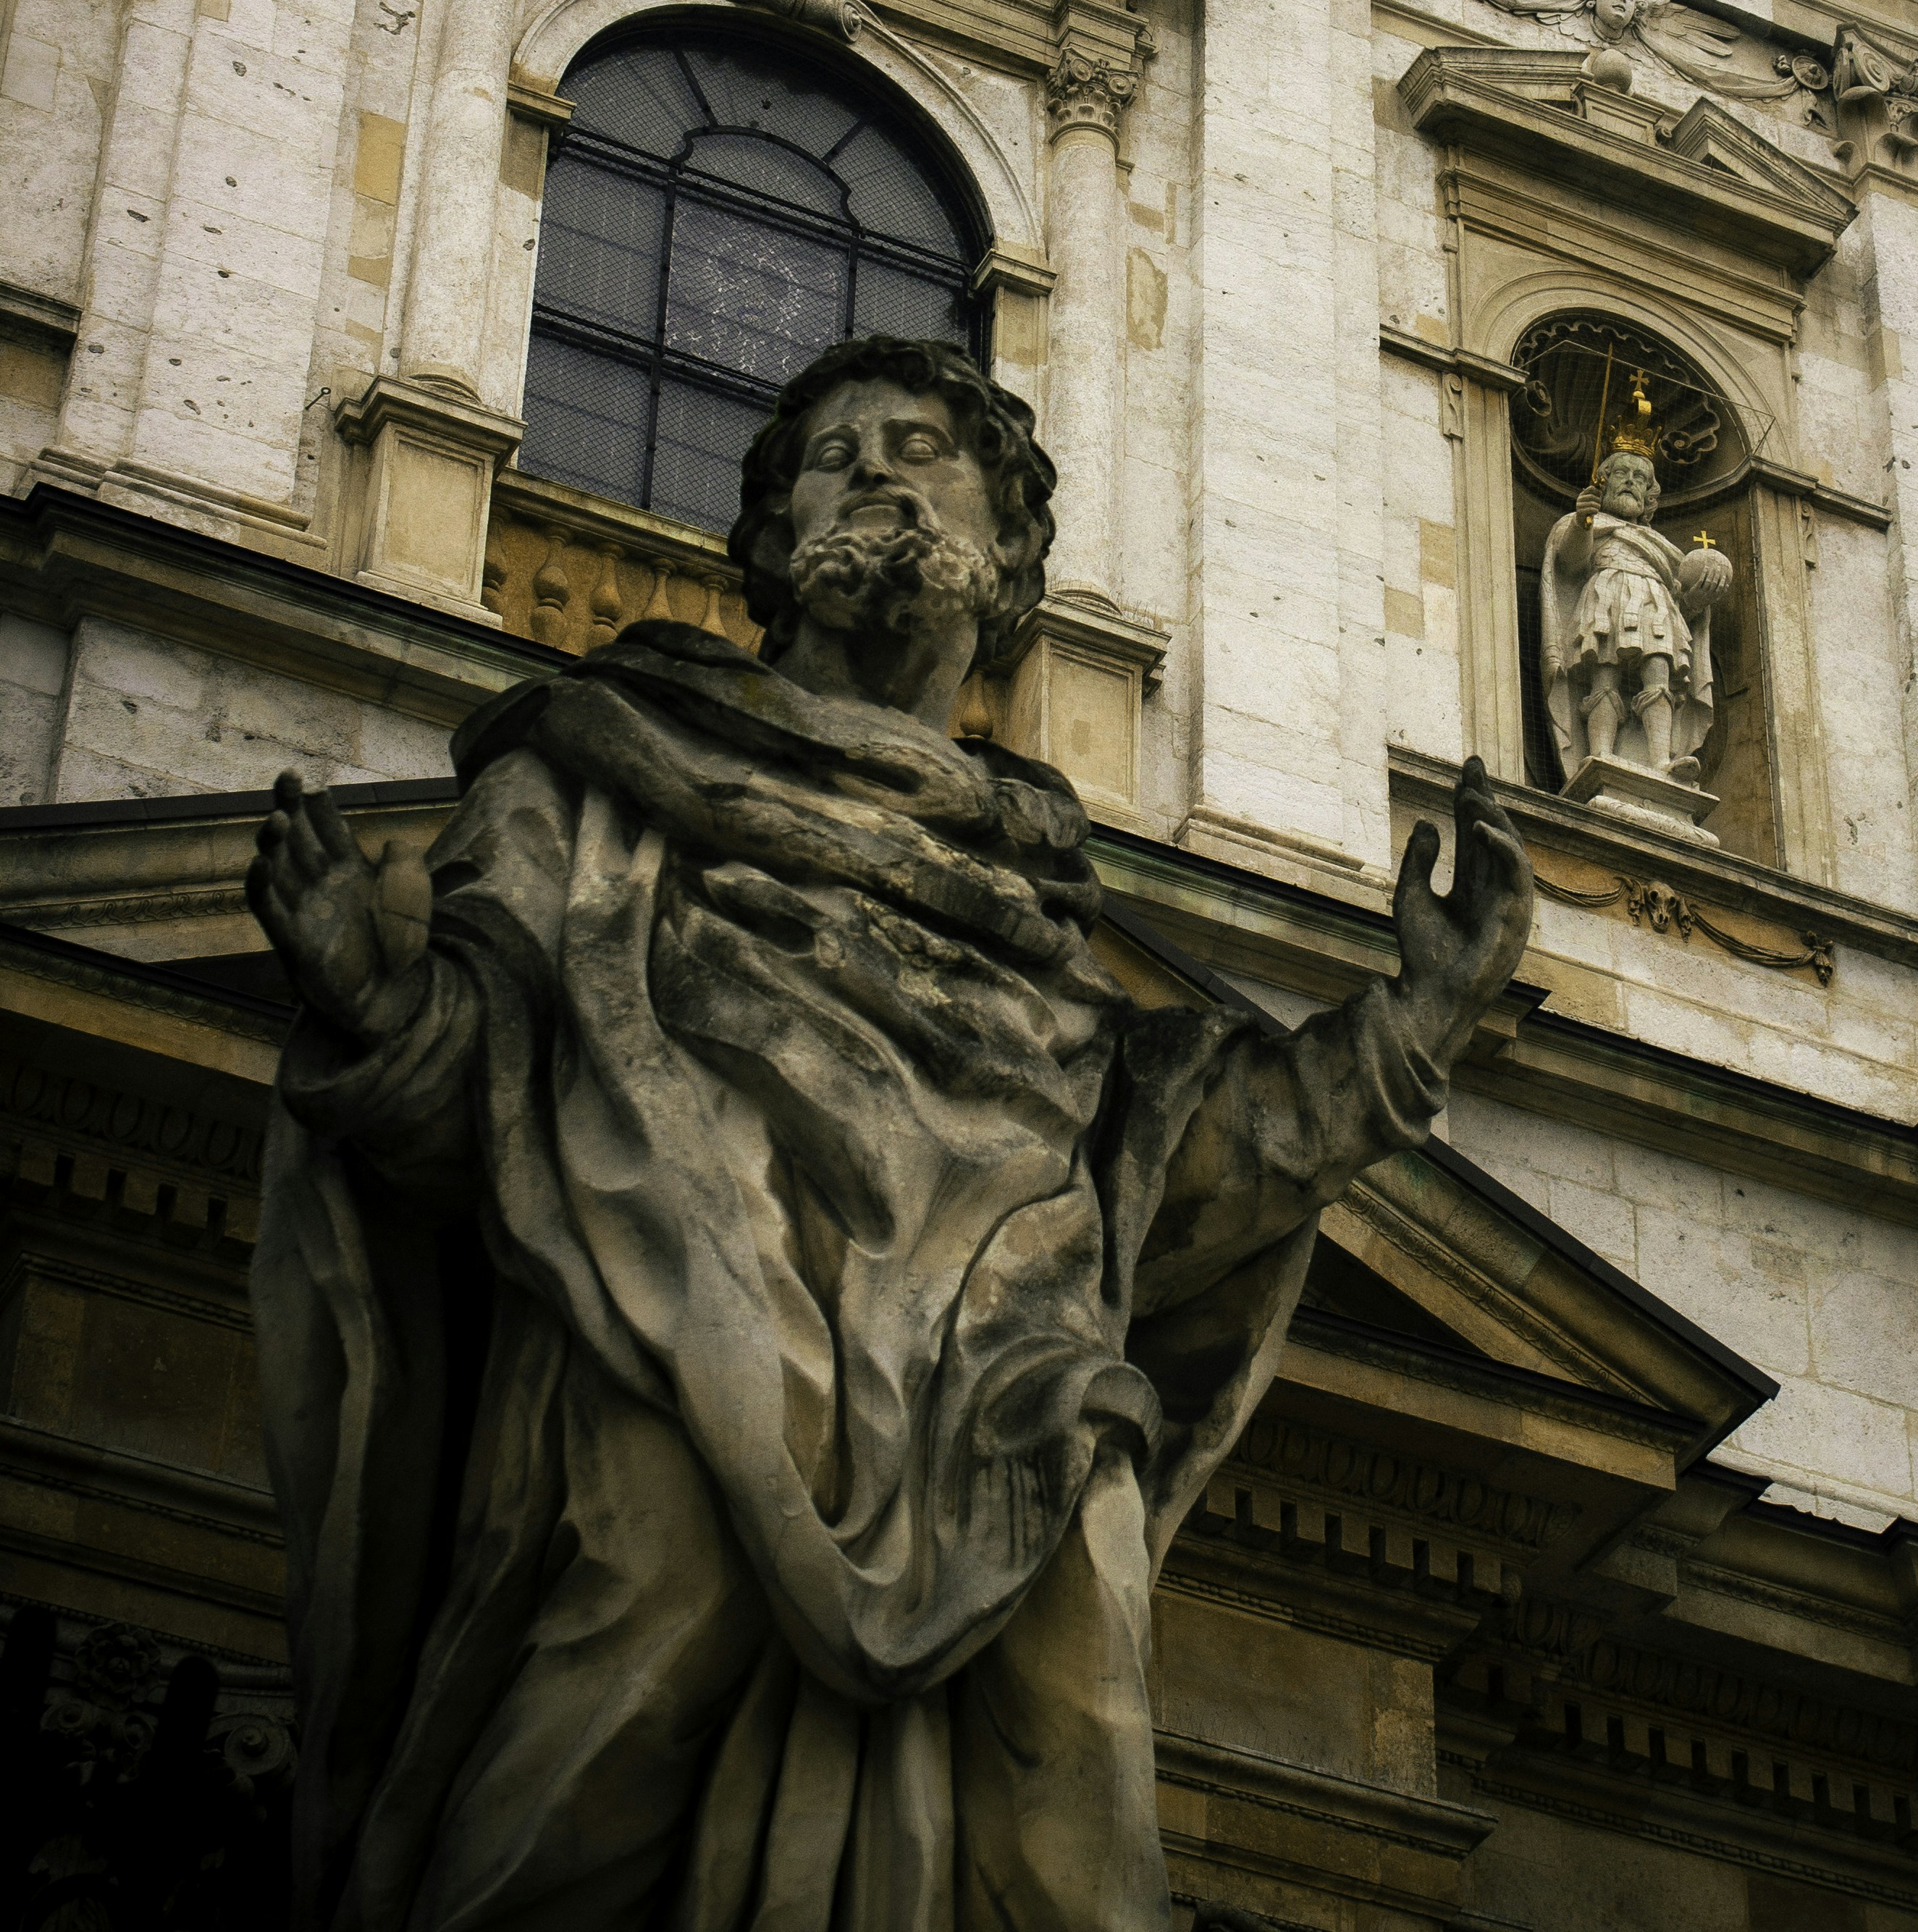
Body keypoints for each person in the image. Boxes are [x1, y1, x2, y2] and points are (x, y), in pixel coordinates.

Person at [248, 334, 1535, 1932]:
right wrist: (376, 1008)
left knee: (1080, 1746)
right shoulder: (596, 768)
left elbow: (1163, 1177)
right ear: (775, 545)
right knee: (645, 1620)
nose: (874, 472)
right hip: (666, 1307)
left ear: (1007, 570)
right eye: (836, 455)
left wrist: (1415, 1026)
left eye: (923, 450)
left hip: (1002, 1378)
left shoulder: (1038, 894)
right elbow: (489, 1086)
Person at [1538, 443, 1731, 784]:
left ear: (1648, 495)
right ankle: (1600, 755)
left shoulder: (1661, 546)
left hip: (1655, 603)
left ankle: (1661, 761)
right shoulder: (1586, 522)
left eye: (1640, 478)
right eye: (1621, 474)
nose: (1630, 481)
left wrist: (1700, 598)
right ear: (1604, 482)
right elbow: (1569, 563)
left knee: (1659, 671)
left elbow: (1682, 600)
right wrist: (1583, 521)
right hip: (1607, 596)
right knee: (1605, 672)